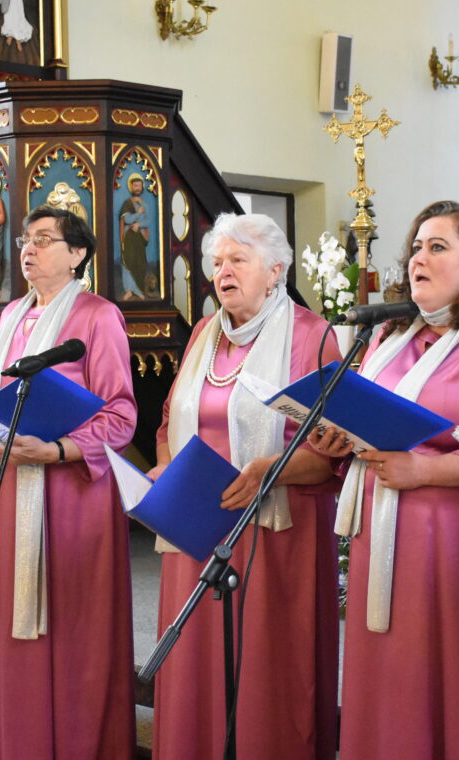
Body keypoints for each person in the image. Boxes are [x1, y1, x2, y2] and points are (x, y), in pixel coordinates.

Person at [309, 201, 459, 759]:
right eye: (417, 246)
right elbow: (366, 415)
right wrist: (336, 440)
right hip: (386, 544)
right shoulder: (391, 333)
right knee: (393, 689)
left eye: (438, 247)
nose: (419, 257)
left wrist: (427, 469)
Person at [151, 213, 341, 760]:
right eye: (217, 262)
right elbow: (170, 419)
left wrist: (269, 469)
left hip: (275, 537)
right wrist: (169, 469)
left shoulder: (312, 336)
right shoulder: (202, 334)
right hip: (196, 527)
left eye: (238, 260)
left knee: (266, 670)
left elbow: (329, 449)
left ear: (275, 269)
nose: (223, 272)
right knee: (195, 670)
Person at [0, 206, 137, 759]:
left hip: (70, 498)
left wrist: (58, 449)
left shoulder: (98, 316)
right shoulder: (12, 315)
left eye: (44, 240)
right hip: (5, 492)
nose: (28, 249)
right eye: (24, 239)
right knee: (5, 624)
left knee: (68, 631)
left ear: (78, 253)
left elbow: (122, 416)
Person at [117, 173, 150, 300]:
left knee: (139, 263)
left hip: (139, 238)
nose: (137, 188)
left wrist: (139, 224)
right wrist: (137, 214)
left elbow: (148, 221)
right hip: (129, 237)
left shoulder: (145, 205)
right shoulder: (127, 203)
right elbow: (126, 218)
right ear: (131, 187)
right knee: (127, 262)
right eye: (135, 185)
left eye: (139, 185)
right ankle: (129, 290)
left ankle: (139, 290)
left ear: (142, 188)